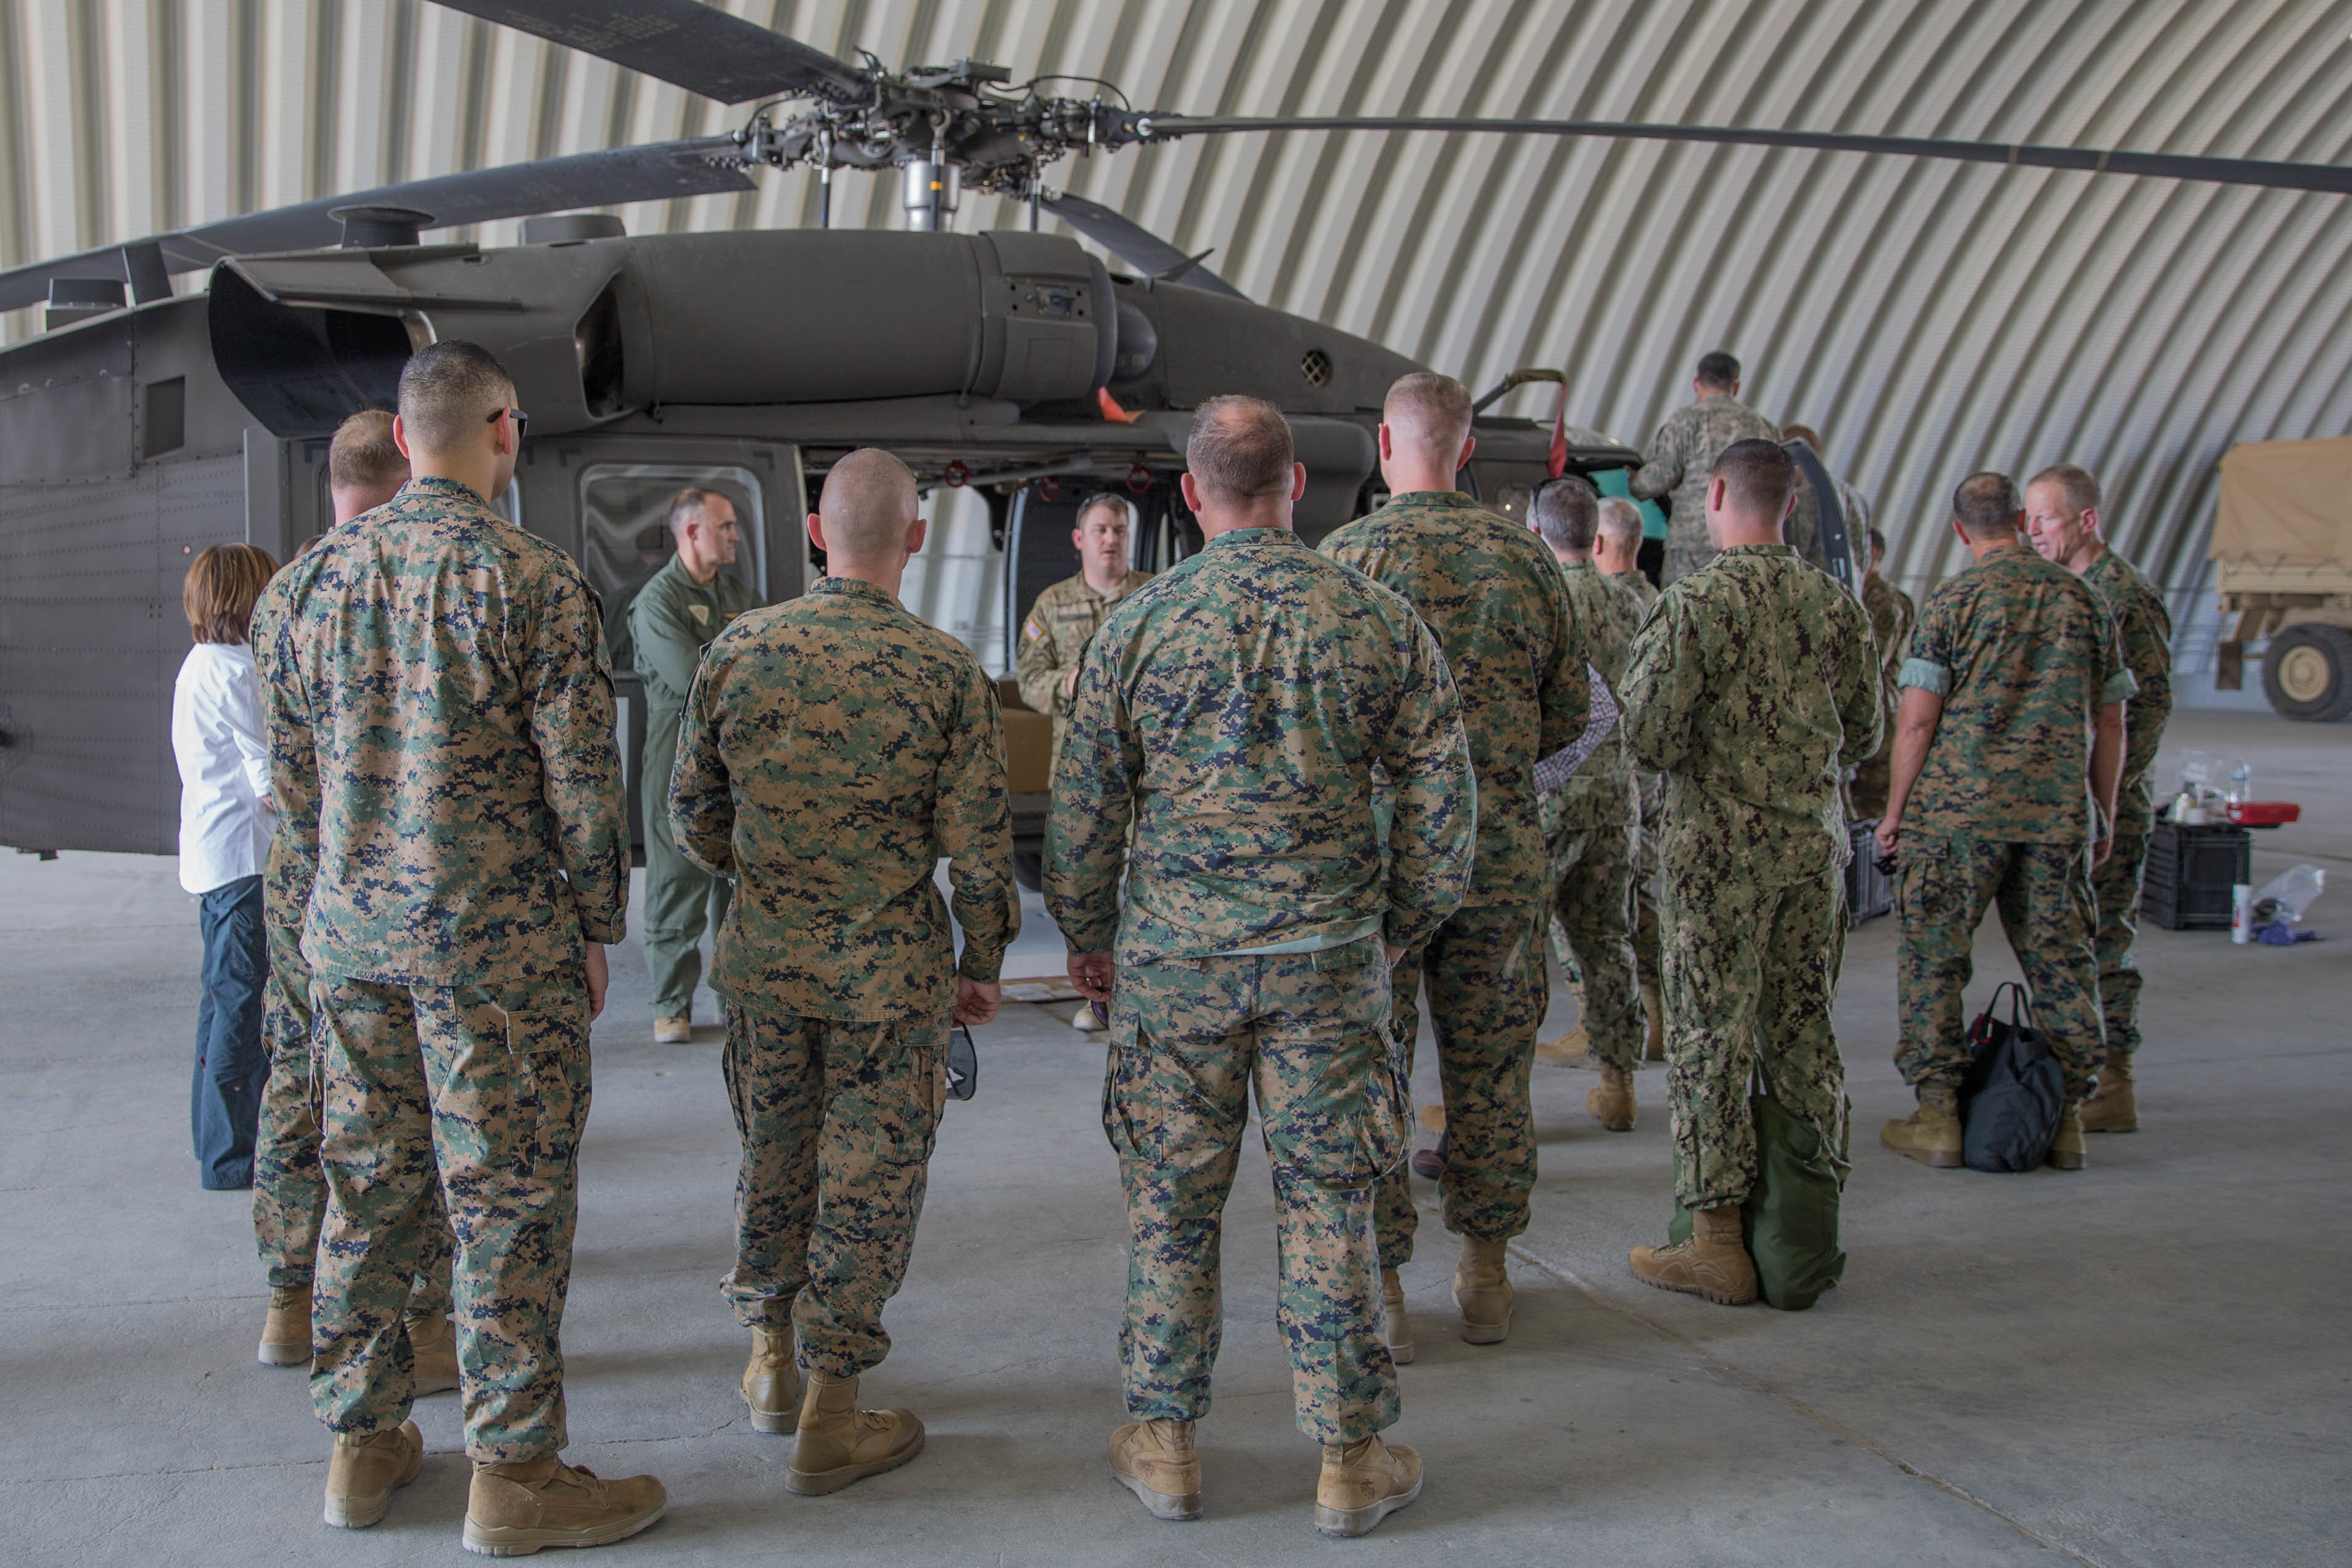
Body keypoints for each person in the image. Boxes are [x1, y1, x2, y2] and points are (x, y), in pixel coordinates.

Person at [255, 341, 664, 1549]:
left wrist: (309, 947)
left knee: (369, 1190)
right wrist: (595, 925)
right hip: (490, 946)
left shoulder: (300, 590)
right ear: (507, 432)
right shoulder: (531, 582)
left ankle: (361, 1443)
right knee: (507, 1201)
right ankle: (515, 1470)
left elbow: (292, 802)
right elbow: (586, 790)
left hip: (348, 949)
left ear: (398, 427)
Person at [1046, 395, 1473, 1537]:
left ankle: (1168, 1444)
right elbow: (1443, 798)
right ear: (1296, 485)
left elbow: (1082, 807)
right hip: (1328, 965)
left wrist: (1087, 933)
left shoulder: (1133, 629)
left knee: (1170, 1201)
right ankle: (1347, 1454)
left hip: (1176, 969)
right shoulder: (1373, 619)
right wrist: (1399, 926)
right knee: (1331, 1198)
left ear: (1190, 495)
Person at [670, 448, 1017, 1494]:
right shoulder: (944, 671)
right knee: (868, 1179)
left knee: (774, 1155)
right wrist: (983, 960)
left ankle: (769, 1360)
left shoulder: (738, 646)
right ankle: (831, 1404)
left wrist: (771, 878)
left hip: (767, 970)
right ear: (914, 539)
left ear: (818, 534)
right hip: (889, 980)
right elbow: (981, 847)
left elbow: (692, 817)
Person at [1321, 371, 1586, 1357]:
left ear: (1384, 447)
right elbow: (1568, 715)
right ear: (1466, 447)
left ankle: (1385, 1282)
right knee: (1491, 1065)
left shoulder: (1345, 560)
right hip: (1498, 847)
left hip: (1378, 861)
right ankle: (1485, 1271)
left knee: (1369, 1068)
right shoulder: (1526, 560)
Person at [1619, 440, 1880, 1305]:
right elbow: (1868, 734)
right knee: (1804, 1030)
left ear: (1716, 493)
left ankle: (1717, 1241)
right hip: (1812, 855)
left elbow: (1647, 737)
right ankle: (1807, 1227)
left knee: (1708, 1040)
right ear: (1794, 498)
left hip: (1715, 863)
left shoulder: (1693, 605)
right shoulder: (1834, 602)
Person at [250, 412, 459, 1385]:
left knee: (299, 1088)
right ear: (407, 463)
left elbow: (287, 782)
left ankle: (290, 1303)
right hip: (410, 901)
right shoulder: (439, 573)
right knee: (409, 1117)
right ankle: (423, 1323)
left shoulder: (288, 594)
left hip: (309, 895)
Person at [1876, 473, 2133, 1172]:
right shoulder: (2084, 599)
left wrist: (1895, 812)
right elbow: (2110, 719)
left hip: (1958, 816)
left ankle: (1937, 1117)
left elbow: (1917, 719)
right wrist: (2102, 808)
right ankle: (2066, 1117)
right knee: (2061, 962)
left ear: (1960, 531)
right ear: (2020, 518)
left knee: (1934, 956)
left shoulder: (1952, 600)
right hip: (2055, 817)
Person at [2026, 464, 2173, 1135]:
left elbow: (2144, 711)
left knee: (2105, 943)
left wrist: (2104, 806)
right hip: (2073, 807)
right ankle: (2088, 1074)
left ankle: (2115, 1081)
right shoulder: (2069, 590)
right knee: (2072, 945)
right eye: (2027, 520)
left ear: (2087, 520)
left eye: (2045, 519)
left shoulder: (2122, 595)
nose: (2034, 532)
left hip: (2108, 808)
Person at [1526, 478, 1650, 1130]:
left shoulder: (1536, 600)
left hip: (1549, 799)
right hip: (1617, 797)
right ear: (1594, 535)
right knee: (1607, 938)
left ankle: (1503, 1103)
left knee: (1518, 951)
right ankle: (1618, 1081)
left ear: (1539, 531)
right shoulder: (1630, 602)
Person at [630, 486, 764, 1045]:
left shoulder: (741, 594)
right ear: (691, 532)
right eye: (726, 525)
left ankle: (731, 997)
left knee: (736, 880)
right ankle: (671, 1005)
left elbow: (766, 670)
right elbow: (697, 678)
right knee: (676, 875)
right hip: (677, 750)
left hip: (737, 754)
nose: (735, 535)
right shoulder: (657, 601)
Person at [175, 542, 281, 1192]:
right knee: (242, 1007)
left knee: (219, 1005)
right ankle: (232, 1158)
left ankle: (211, 1139)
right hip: (244, 861)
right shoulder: (240, 671)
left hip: (214, 858)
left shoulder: (199, 664)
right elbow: (268, 774)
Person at [1597, 496, 1666, 1061]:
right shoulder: (1660, 603)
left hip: (1601, 778)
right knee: (1642, 901)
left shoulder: (1593, 603)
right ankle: (1655, 1011)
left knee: (1600, 919)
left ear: (1600, 543)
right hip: (1651, 779)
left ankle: (1613, 1026)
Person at [1015, 492, 1153, 761]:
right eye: (1101, 530)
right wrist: (1069, 684)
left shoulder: (1155, 595)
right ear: (1079, 539)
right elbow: (1029, 681)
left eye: (1120, 531)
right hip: (1077, 764)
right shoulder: (1052, 604)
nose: (1111, 539)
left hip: (1146, 762)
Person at [1631, 351, 1781, 586]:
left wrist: (1635, 481)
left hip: (1691, 545)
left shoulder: (1685, 421)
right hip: (1745, 542)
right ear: (1736, 386)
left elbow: (1657, 479)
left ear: (1696, 383)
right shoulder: (1761, 425)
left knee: (1684, 611)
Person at [1851, 528, 1917, 820]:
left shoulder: (1883, 600)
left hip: (1882, 720)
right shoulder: (1861, 594)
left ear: (1872, 553)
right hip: (1867, 717)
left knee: (1871, 813)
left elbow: (1870, 662)